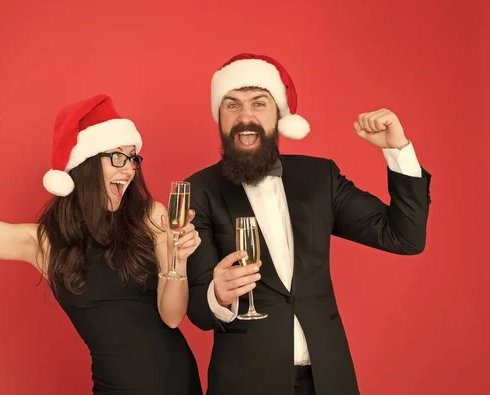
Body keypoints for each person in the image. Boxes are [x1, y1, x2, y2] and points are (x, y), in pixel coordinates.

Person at [185, 53, 431, 395]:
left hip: (329, 379)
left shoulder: (319, 177)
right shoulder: (198, 190)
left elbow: (404, 237)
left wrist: (398, 152)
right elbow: (197, 309)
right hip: (246, 384)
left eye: (259, 103)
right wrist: (217, 295)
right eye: (232, 105)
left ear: (279, 115)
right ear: (219, 117)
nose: (245, 117)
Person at [0, 94, 203, 395]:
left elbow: (171, 317)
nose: (129, 169)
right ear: (86, 165)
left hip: (180, 383)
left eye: (133, 158)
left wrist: (177, 261)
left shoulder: (150, 216)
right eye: (117, 156)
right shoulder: (44, 243)